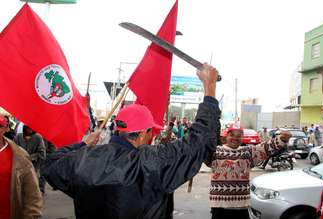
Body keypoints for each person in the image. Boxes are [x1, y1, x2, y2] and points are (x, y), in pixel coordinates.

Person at [42, 63, 221, 219]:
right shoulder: (150, 162)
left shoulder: (83, 159)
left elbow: (50, 163)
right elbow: (199, 142)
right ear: (143, 133)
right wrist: (209, 87)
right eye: (151, 131)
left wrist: (84, 144)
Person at [208, 124, 291, 219]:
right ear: (226, 137)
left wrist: (283, 139)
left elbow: (266, 147)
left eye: (239, 135)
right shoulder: (215, 152)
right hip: (219, 205)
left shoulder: (248, 153)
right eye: (232, 135)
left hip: (241, 206)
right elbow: (198, 153)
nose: (235, 138)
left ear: (242, 138)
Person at [0, 114, 42, 219]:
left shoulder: (20, 156)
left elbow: (33, 195)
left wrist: (31, 215)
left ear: (6, 128)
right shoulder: (18, 137)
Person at [14, 125, 46, 193]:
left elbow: (42, 153)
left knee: (32, 188)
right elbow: (14, 149)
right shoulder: (18, 137)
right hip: (20, 166)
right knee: (19, 187)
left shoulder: (38, 137)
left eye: (31, 128)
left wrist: (30, 157)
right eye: (28, 128)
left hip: (33, 167)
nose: (30, 129)